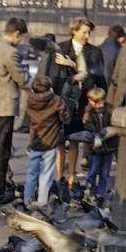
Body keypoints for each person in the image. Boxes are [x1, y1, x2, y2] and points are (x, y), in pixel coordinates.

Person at [37, 16, 105, 196]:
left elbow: (97, 80)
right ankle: (59, 177)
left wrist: (73, 65)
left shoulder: (95, 52)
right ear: (74, 30)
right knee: (60, 141)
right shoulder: (60, 49)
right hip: (61, 103)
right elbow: (51, 77)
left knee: (75, 140)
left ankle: (71, 177)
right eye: (84, 32)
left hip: (82, 103)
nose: (87, 35)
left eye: (89, 32)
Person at [0, 17, 30, 204]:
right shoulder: (11, 52)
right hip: (4, 106)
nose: (22, 41)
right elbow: (22, 79)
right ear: (17, 33)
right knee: (2, 149)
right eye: (22, 37)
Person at [23, 75, 67, 208]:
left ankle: (28, 201)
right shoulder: (56, 100)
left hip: (35, 142)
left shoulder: (30, 101)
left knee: (31, 173)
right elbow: (65, 116)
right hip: (51, 142)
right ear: (50, 89)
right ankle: (42, 203)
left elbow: (30, 121)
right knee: (46, 174)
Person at [83, 87, 116, 200]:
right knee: (92, 171)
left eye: (101, 101)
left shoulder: (110, 109)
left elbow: (114, 125)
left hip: (108, 147)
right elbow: (88, 127)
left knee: (105, 173)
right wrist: (98, 135)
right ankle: (89, 191)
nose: (100, 105)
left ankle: (100, 194)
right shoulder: (88, 113)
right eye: (96, 102)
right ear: (90, 101)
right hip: (94, 148)